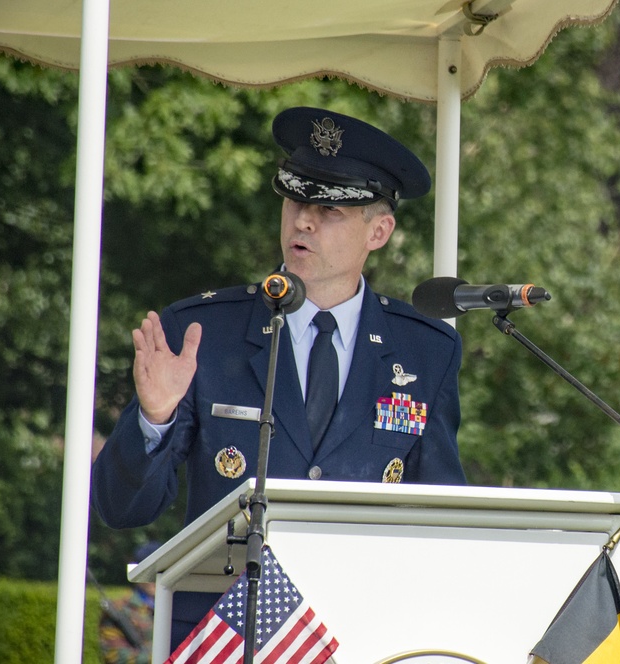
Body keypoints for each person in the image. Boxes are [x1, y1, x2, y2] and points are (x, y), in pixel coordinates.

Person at [91, 106, 466, 650]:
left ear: (379, 231)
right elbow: (121, 510)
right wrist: (154, 418)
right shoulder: (202, 334)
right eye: (295, 200)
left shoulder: (426, 350)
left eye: (330, 210)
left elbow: (440, 514)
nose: (304, 221)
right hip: (221, 639)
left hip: (357, 637)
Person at [97, 542, 159, 664]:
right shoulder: (119, 610)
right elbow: (115, 656)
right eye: (147, 573)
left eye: (159, 572)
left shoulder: (179, 608)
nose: (153, 578)